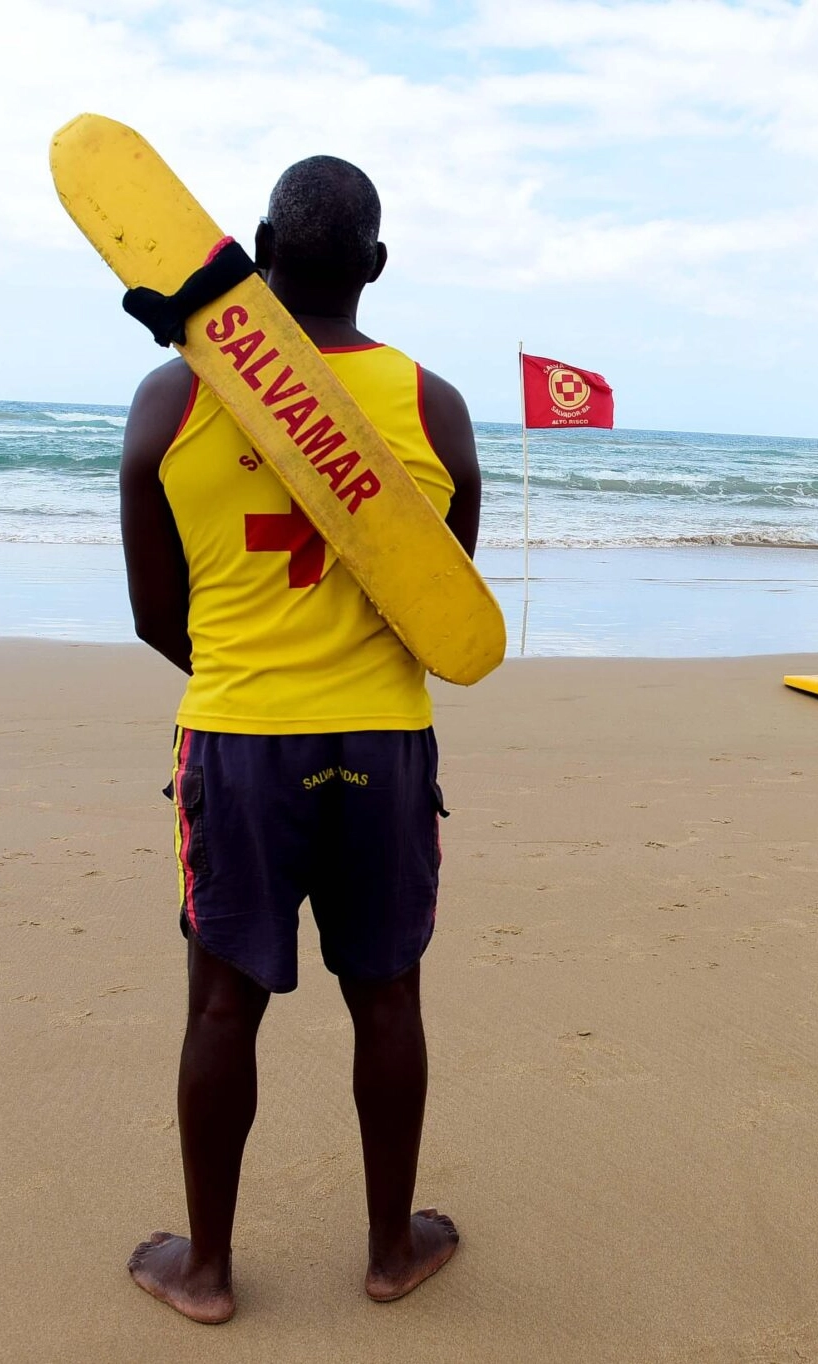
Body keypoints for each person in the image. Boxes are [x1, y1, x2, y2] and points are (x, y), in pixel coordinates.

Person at [118, 156, 477, 1321]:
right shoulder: (431, 404)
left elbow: (152, 613)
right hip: (383, 744)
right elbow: (441, 599)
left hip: (240, 742)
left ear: (260, 243)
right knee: (388, 997)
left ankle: (210, 1268)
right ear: (374, 265)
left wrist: (247, 672)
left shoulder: (174, 397)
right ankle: (388, 1250)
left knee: (222, 1004)